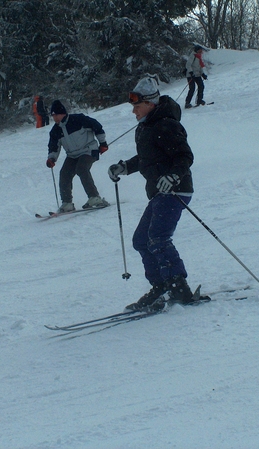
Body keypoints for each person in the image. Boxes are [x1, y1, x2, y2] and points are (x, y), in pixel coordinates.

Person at [108, 76, 203, 311]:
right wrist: (125, 167)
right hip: (158, 192)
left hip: (175, 189)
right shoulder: (147, 127)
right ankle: (161, 286)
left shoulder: (167, 124)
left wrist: (172, 176)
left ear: (150, 103)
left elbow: (185, 156)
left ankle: (179, 287)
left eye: (137, 107)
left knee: (158, 238)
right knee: (141, 240)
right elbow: (146, 159)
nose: (134, 112)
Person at [46, 100, 110, 212]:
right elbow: (54, 147)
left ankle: (94, 197)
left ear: (63, 113)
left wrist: (103, 143)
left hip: (89, 150)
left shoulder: (78, 120)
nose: (55, 118)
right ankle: (67, 203)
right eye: (53, 115)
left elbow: (97, 126)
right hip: (72, 155)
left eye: (56, 115)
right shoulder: (55, 131)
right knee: (64, 173)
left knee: (81, 168)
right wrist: (52, 158)